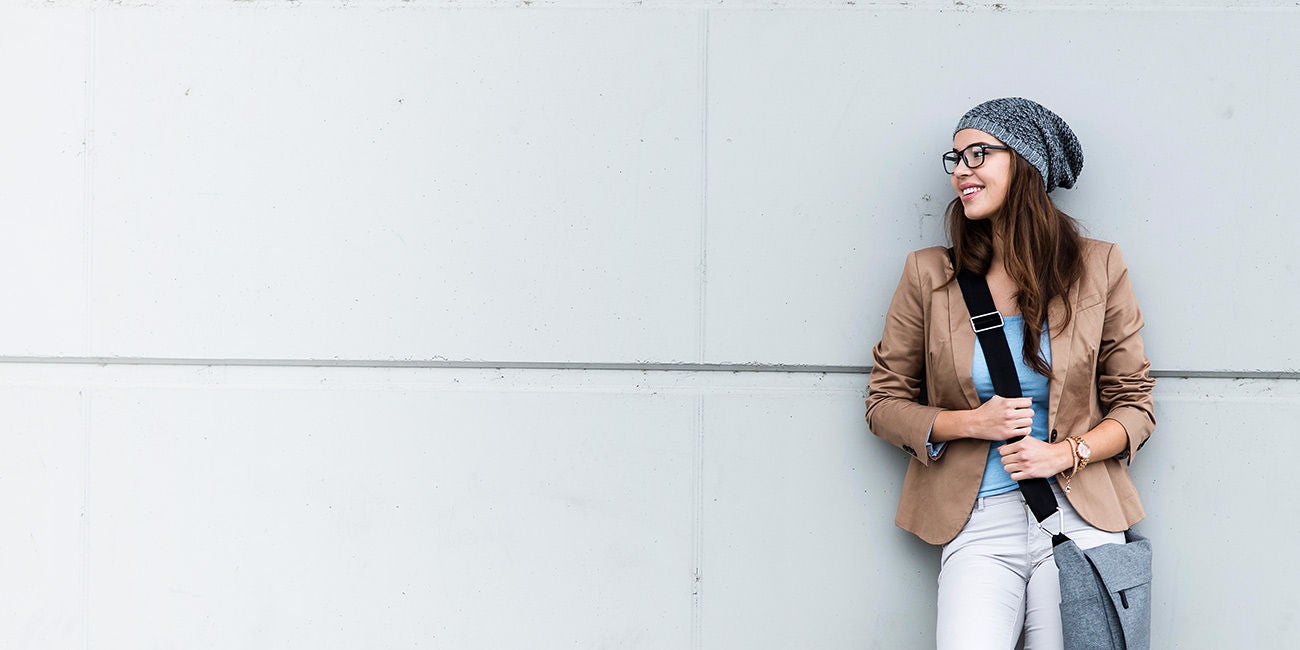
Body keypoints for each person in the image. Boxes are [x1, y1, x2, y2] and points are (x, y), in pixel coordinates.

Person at [864, 97, 1155, 649]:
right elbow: (884, 404)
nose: (962, 171)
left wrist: (1065, 453)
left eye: (978, 153)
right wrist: (968, 423)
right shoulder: (929, 273)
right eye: (955, 159)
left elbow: (1136, 405)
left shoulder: (1099, 266)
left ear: (1026, 163)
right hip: (977, 520)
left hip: (1080, 516)